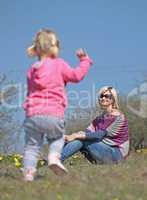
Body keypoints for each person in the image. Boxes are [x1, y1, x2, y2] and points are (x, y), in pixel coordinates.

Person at [22, 29, 93, 181]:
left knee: (32, 147)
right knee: (57, 139)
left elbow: (30, 92)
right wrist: (85, 61)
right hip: (53, 114)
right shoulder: (59, 65)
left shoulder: (33, 69)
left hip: (32, 115)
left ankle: (28, 173)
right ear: (55, 47)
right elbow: (76, 76)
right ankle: (54, 158)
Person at [61, 86, 129, 164]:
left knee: (82, 139)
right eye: (101, 96)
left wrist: (75, 136)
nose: (103, 98)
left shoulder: (116, 115)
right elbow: (87, 132)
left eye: (107, 96)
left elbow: (98, 135)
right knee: (80, 136)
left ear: (113, 99)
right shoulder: (100, 118)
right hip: (104, 151)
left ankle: (56, 160)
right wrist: (69, 137)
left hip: (117, 155)